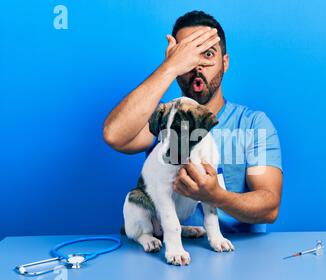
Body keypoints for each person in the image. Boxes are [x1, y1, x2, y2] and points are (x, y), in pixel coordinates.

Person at [103, 10, 283, 233]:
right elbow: (114, 135)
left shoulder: (252, 125)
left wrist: (216, 196)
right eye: (188, 55)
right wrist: (169, 68)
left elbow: (269, 207)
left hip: (238, 253)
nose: (197, 65)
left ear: (224, 63)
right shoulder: (164, 120)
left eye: (207, 54)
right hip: (172, 252)